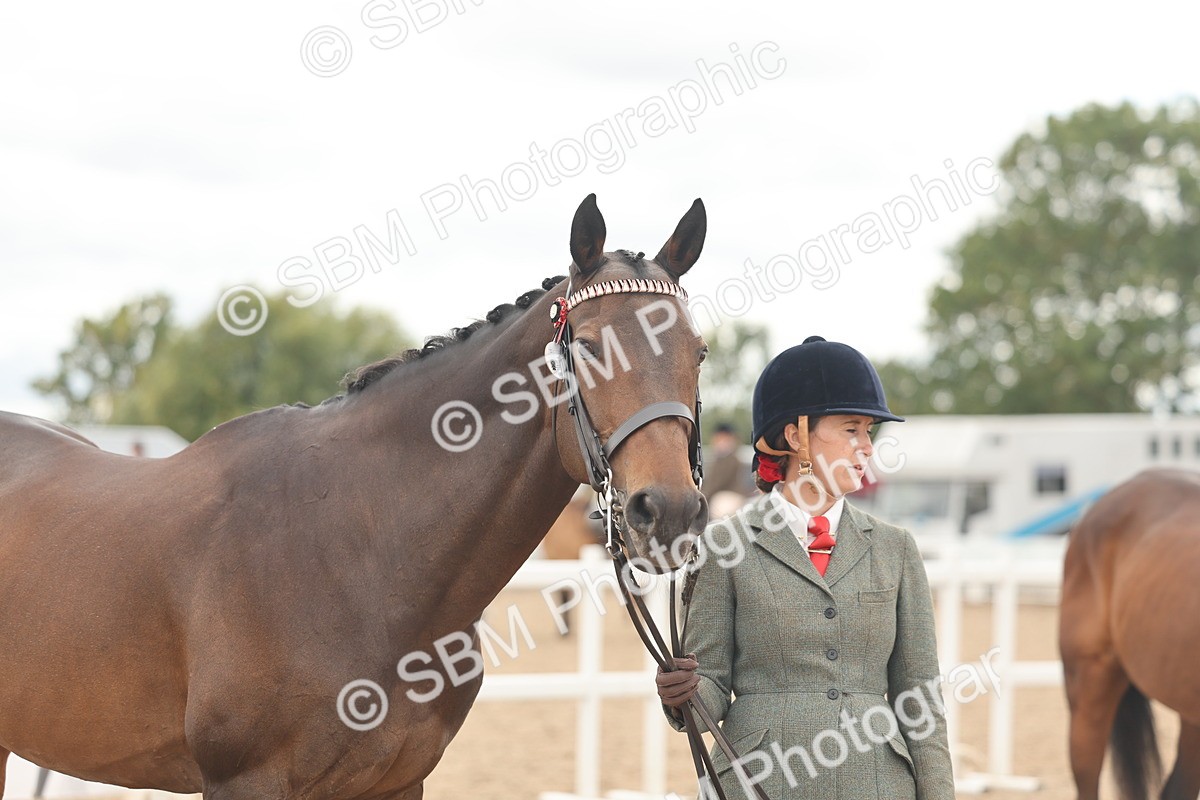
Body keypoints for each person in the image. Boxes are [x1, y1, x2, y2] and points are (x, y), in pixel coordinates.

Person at [655, 336, 954, 800]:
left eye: (869, 432)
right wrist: (683, 693)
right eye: (851, 430)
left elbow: (921, 701)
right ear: (796, 436)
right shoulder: (722, 546)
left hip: (877, 783)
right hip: (762, 779)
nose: (866, 448)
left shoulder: (896, 549)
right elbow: (710, 685)